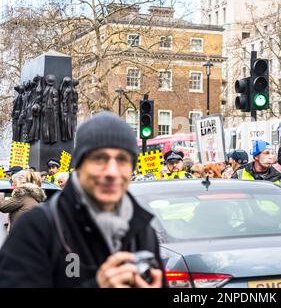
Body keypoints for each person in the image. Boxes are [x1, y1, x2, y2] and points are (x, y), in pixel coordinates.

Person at [0, 112, 164, 288]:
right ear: (79, 166)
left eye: (122, 160)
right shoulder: (35, 228)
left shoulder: (143, 230)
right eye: (99, 159)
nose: (111, 172)